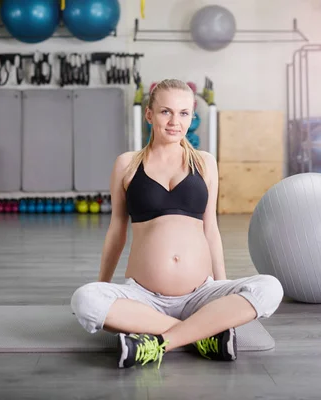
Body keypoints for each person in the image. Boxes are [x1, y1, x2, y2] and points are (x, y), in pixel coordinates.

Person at [70, 78, 284, 369]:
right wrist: (103, 287)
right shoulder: (127, 164)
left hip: (201, 294)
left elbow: (211, 228)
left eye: (184, 113)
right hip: (143, 296)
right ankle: (203, 335)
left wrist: (221, 288)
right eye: (165, 112)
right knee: (85, 300)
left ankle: (160, 341)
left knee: (270, 287)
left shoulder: (205, 162)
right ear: (149, 114)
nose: (175, 121)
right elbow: (116, 231)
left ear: (192, 117)